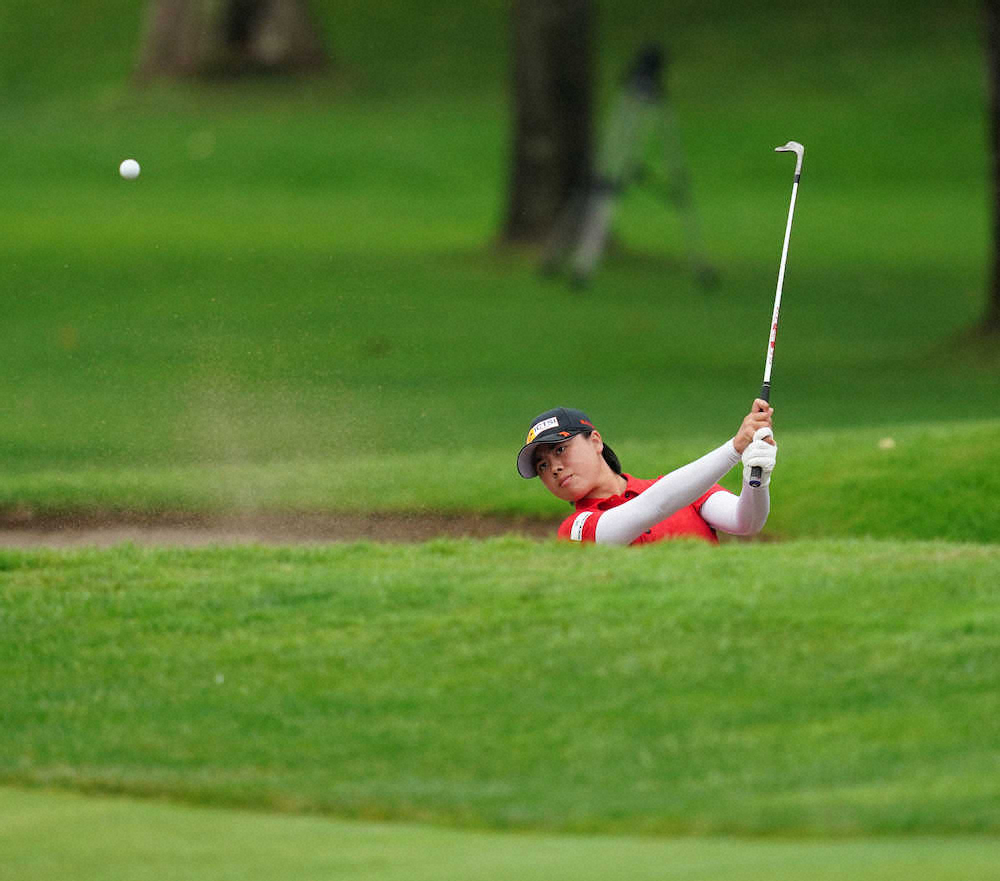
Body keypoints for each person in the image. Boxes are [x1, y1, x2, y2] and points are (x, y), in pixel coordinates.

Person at [516, 402, 776, 545]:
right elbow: (653, 506)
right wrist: (735, 448)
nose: (554, 468)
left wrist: (756, 480)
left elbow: (746, 522)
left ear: (596, 441)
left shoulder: (689, 491)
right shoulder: (574, 529)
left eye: (560, 449)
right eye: (542, 466)